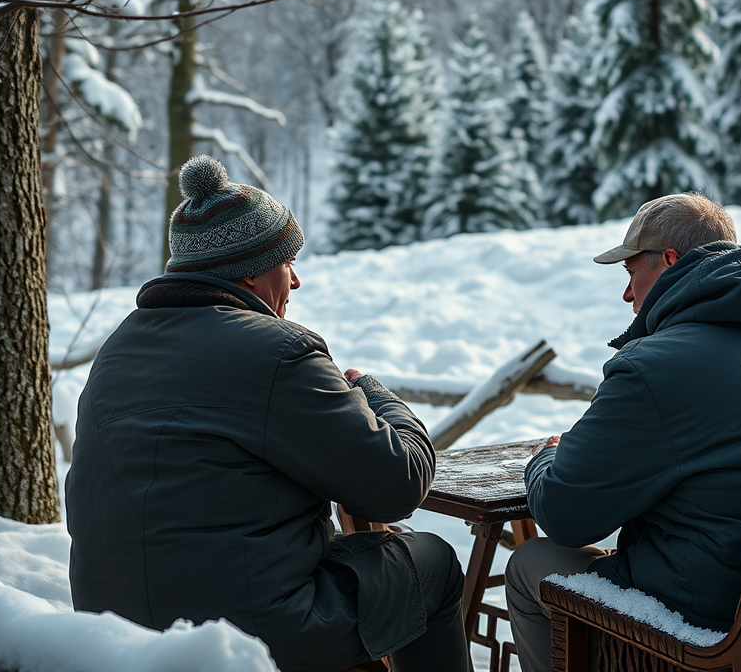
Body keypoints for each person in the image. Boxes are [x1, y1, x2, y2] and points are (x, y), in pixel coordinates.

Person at [65, 155, 472, 672]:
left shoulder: (117, 350)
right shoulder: (278, 352)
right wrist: (373, 393)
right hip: (243, 634)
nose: (295, 281)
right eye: (287, 262)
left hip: (112, 628)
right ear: (252, 275)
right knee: (430, 563)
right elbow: (397, 485)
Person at [505, 192, 741, 672]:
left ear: (670, 261)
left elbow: (567, 515)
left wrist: (546, 459)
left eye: (631, 273)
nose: (628, 294)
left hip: (711, 630)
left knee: (530, 563)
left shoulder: (653, 368)